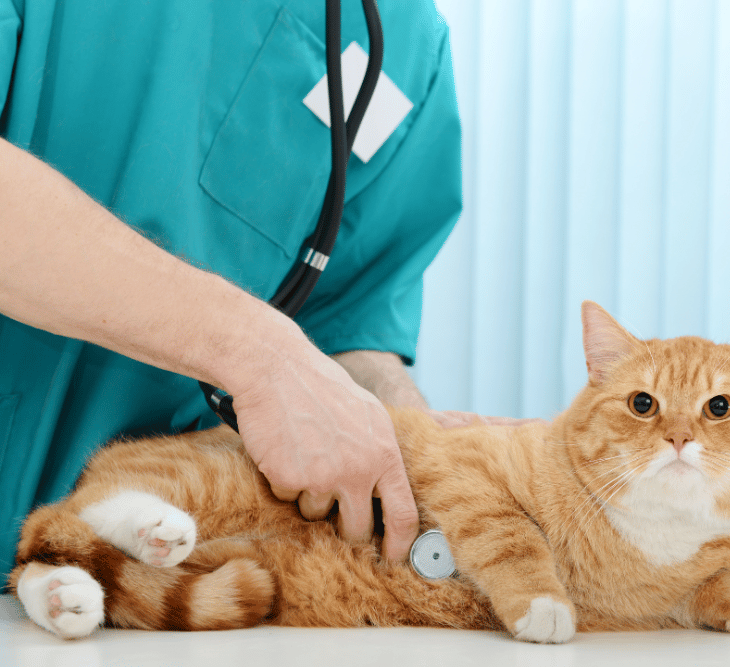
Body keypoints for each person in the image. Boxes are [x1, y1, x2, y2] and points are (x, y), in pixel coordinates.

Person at [0, 0, 463, 577]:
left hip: (136, 568)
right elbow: (281, 360)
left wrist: (433, 458)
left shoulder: (406, 45)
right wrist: (252, 350)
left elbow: (346, 325)